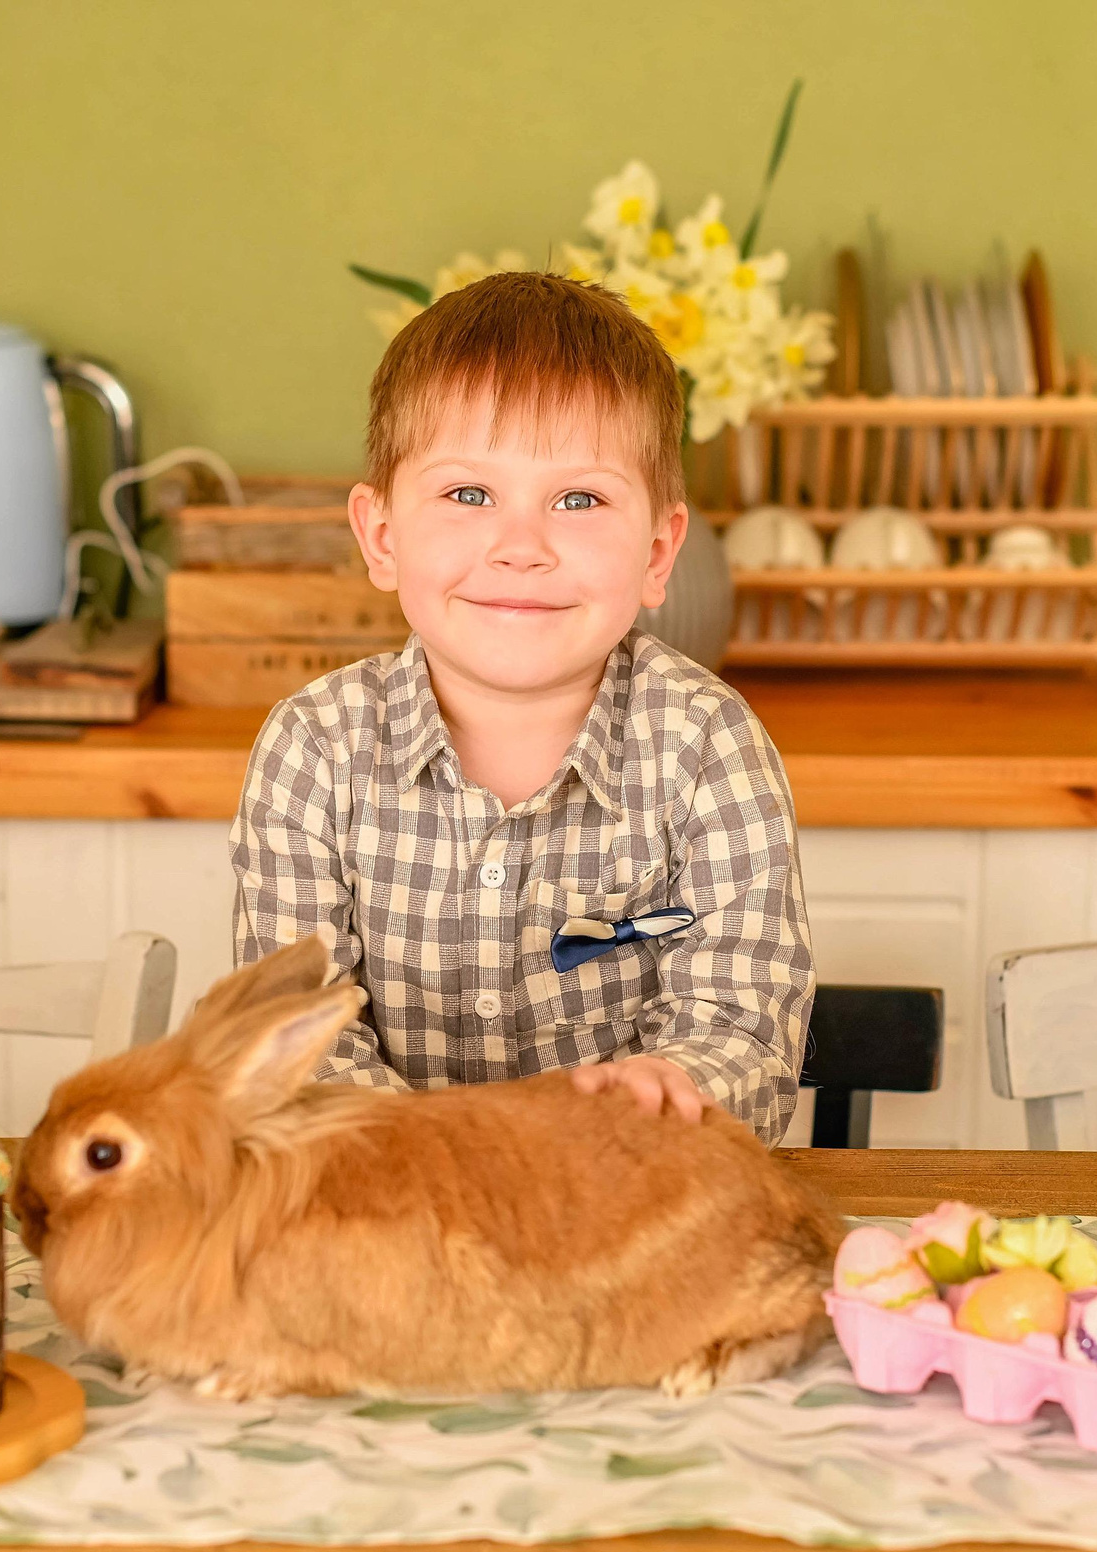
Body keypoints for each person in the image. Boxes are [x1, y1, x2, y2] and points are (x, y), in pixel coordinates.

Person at [230, 270, 812, 1142]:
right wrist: (457, 1167)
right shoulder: (313, 748)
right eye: (469, 494)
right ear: (381, 536)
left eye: (579, 499)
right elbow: (294, 1035)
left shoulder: (708, 745)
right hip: (384, 1215)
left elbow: (743, 1036)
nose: (520, 547)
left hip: (625, 1212)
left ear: (658, 551)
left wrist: (672, 1089)